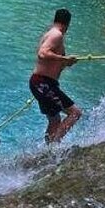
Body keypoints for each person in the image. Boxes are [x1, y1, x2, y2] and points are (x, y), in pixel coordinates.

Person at [30, 9, 82, 143]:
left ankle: (48, 149)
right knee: (75, 113)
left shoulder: (50, 33)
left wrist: (66, 62)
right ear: (68, 23)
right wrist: (63, 59)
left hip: (40, 83)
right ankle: (55, 147)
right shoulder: (57, 35)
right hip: (43, 83)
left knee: (55, 120)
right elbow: (42, 53)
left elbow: (51, 60)